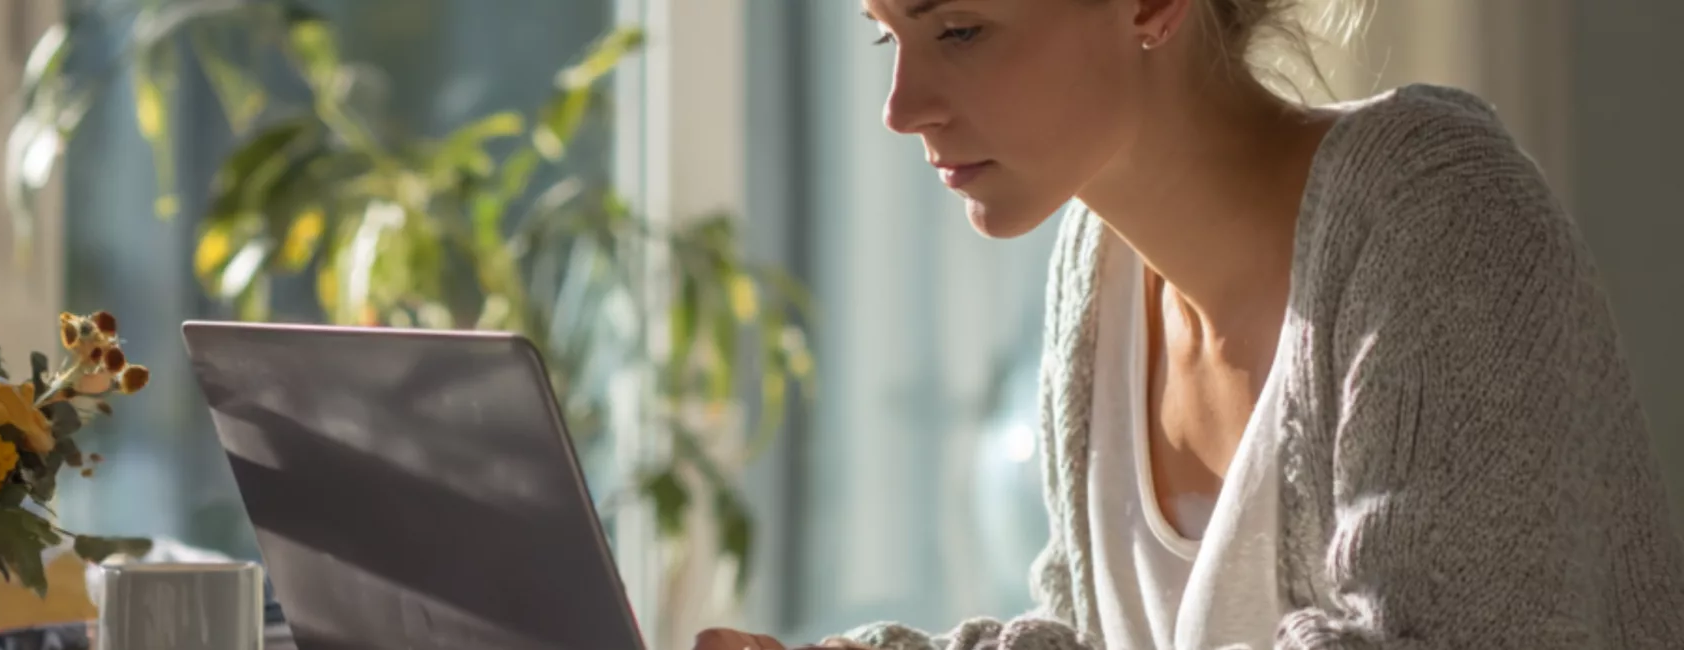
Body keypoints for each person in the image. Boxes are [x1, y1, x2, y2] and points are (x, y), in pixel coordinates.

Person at [694, 0, 1684, 648]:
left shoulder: (1442, 218)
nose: (900, 107)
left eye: (957, 29)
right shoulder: (1098, 272)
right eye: (885, 34)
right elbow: (1092, 630)